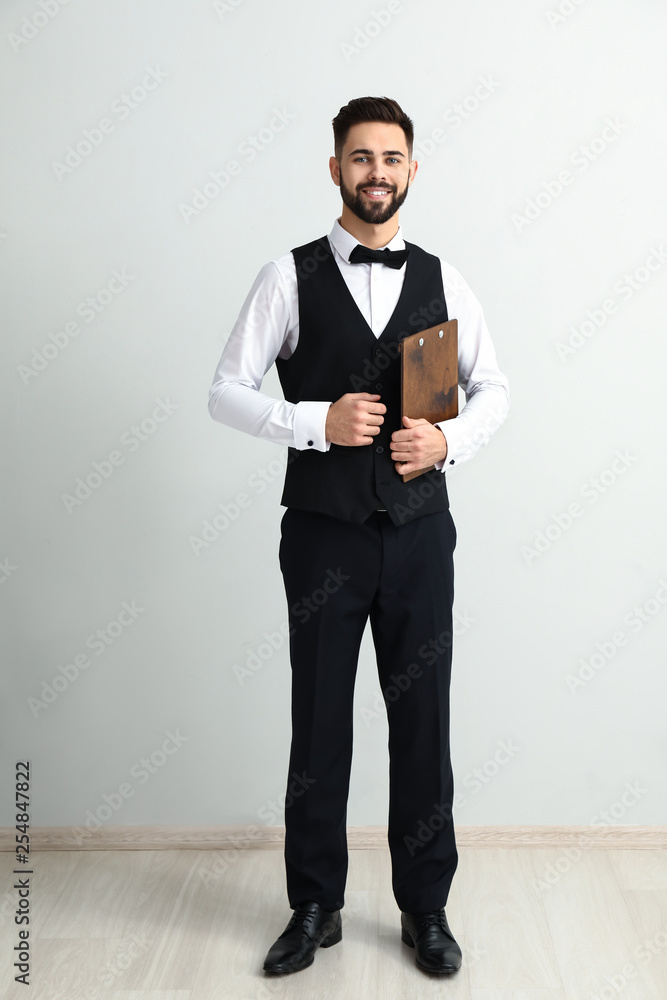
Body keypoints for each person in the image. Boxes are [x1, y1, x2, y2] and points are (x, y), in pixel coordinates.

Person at [208, 96, 510, 977]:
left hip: (419, 536)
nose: (375, 171)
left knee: (423, 722)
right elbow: (224, 390)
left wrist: (447, 440)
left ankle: (425, 910)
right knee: (319, 721)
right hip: (322, 538)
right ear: (334, 169)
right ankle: (314, 905)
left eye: (390, 157)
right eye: (359, 157)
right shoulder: (286, 275)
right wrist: (313, 422)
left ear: (412, 170)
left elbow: (495, 388)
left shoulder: (444, 278)